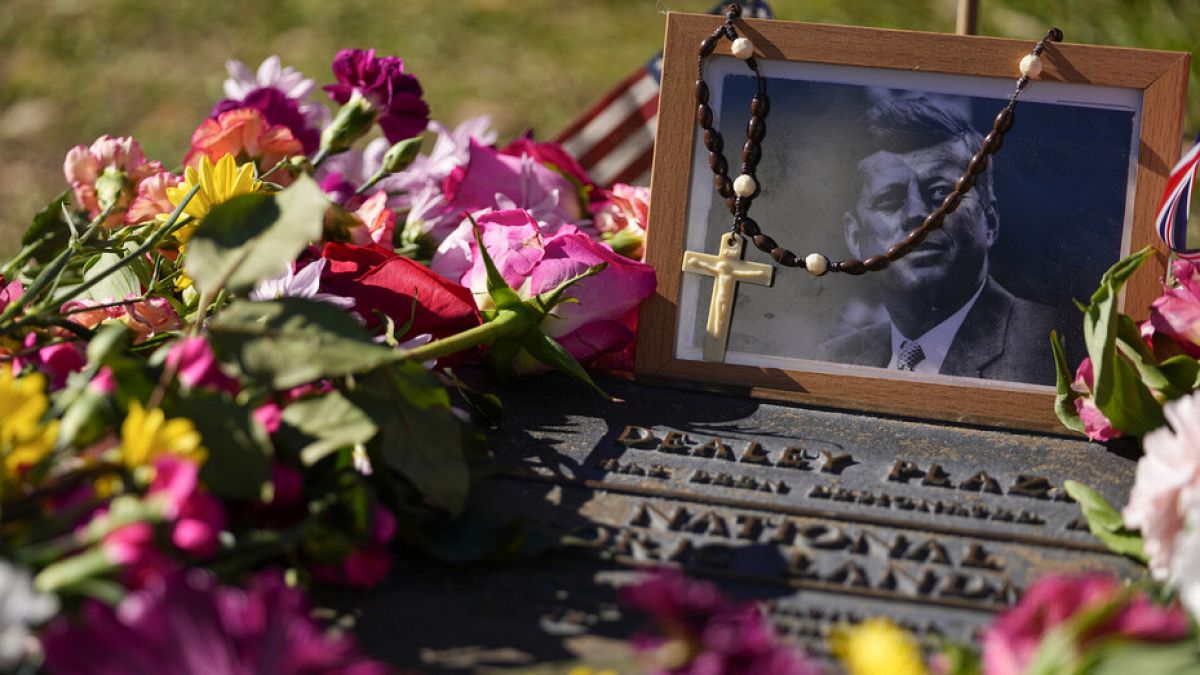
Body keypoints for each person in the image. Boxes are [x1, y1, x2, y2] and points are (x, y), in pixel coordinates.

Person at [816, 96, 1065, 385]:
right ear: (855, 237)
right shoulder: (833, 359)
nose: (918, 214)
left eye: (940, 194)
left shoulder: (1057, 345)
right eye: (890, 200)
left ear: (990, 221)